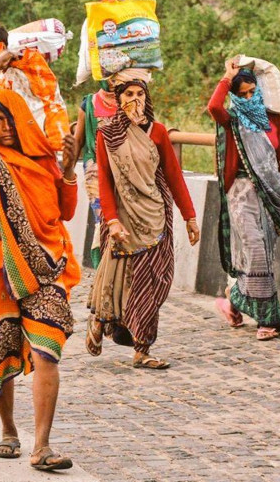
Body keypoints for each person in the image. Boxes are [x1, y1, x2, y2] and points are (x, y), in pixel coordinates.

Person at [0, 49, 80, 472]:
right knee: (0, 351)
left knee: (48, 349)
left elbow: (64, 212)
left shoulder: (42, 159)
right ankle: (8, 429)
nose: (3, 126)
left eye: (8, 118)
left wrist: (68, 169)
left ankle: (41, 446)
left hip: (46, 262)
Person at [86, 70, 200, 368]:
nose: (135, 99)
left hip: (155, 216)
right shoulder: (107, 134)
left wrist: (189, 216)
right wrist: (111, 220)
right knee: (119, 278)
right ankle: (116, 331)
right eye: (129, 94)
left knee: (156, 279)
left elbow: (173, 176)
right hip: (122, 218)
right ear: (118, 99)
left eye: (140, 94)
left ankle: (139, 344)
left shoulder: (158, 132)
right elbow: (105, 181)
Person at [208, 58, 280, 341]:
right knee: (254, 248)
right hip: (240, 191)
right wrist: (227, 78)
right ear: (234, 96)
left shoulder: (272, 119)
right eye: (242, 94)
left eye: (253, 92)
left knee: (262, 252)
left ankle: (233, 301)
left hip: (268, 194)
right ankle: (269, 319)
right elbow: (213, 107)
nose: (249, 97)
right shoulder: (232, 119)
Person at [73, 77, 119, 266]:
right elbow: (78, 141)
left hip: (123, 170)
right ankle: (103, 267)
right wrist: (66, 175)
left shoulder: (131, 101)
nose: (114, 80)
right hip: (96, 171)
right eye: (110, 76)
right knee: (104, 220)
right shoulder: (89, 104)